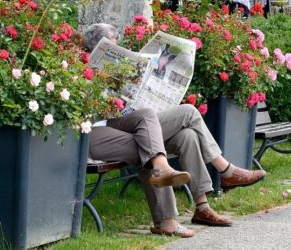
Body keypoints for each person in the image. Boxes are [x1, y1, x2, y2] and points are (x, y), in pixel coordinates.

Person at [84, 23, 266, 236]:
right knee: (185, 113)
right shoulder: (82, 68)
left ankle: (202, 208)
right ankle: (224, 171)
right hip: (101, 129)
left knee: (186, 136)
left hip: (127, 122)